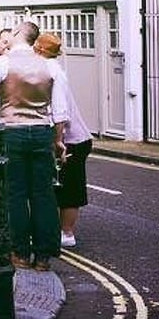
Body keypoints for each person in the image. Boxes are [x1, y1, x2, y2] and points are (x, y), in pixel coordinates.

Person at [0, 21, 69, 270]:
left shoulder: (4, 63)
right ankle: (43, 257)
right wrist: (58, 141)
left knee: (16, 194)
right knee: (43, 194)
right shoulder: (51, 65)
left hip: (12, 133)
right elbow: (61, 111)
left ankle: (20, 252)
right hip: (42, 133)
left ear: (18, 35)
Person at [32, 33, 94, 249]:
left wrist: (58, 142)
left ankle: (66, 233)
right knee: (57, 187)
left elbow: (60, 113)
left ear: (38, 50)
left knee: (69, 189)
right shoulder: (50, 69)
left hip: (72, 140)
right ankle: (56, 231)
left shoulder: (51, 72)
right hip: (69, 139)